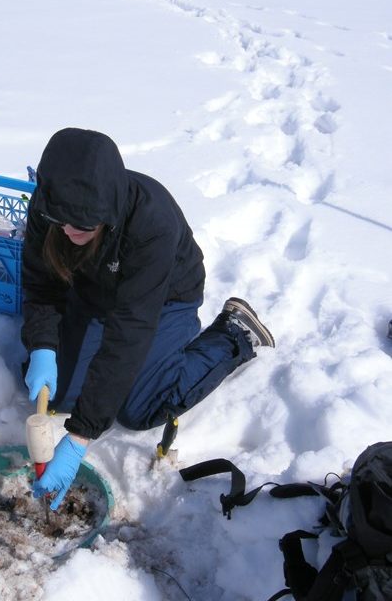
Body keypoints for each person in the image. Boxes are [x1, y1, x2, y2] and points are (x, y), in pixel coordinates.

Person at [21, 128, 274, 510]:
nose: (70, 231)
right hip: (96, 292)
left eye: (84, 226)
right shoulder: (47, 205)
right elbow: (41, 286)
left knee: (139, 408)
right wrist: (42, 346)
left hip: (162, 298)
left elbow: (129, 332)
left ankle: (233, 335)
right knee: (58, 393)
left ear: (105, 214)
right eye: (62, 222)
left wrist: (79, 438)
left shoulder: (151, 223)